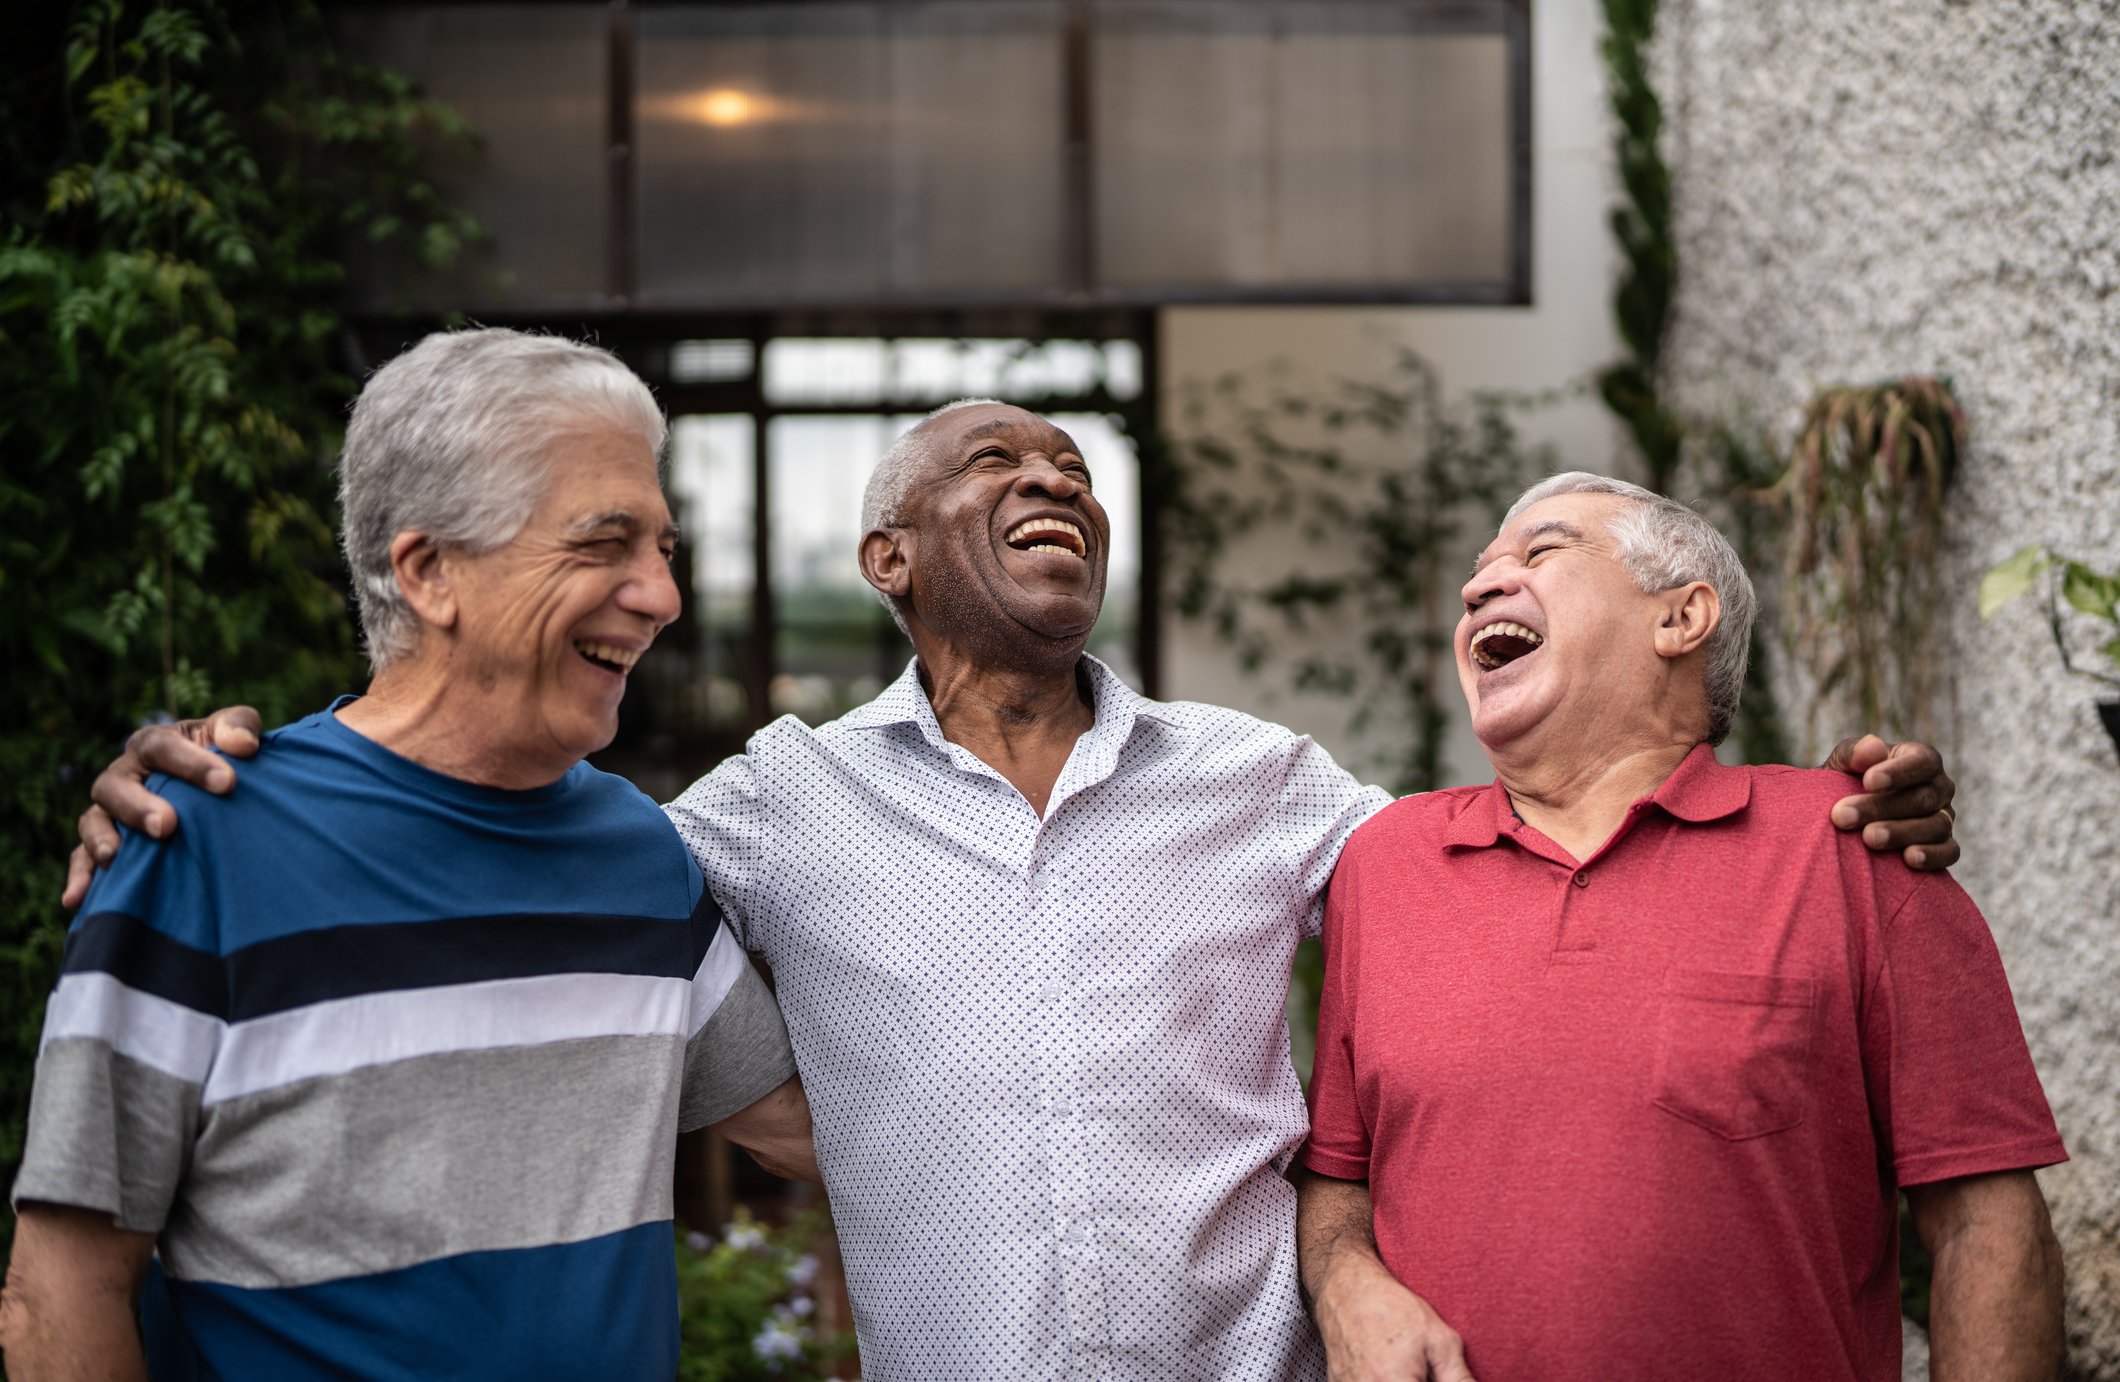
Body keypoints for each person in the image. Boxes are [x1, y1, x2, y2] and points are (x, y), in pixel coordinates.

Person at [60, 403, 1964, 1380]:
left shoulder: (1273, 782)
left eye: (1072, 466)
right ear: (890, 553)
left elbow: (1550, 867)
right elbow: (515, 841)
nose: (1052, 478)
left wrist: (1812, 812)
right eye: (995, 463)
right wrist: (204, 776)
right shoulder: (768, 805)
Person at [1, 330, 816, 1381]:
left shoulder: (635, 854)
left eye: (661, 547)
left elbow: (814, 1129)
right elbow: (58, 1294)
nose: (660, 596)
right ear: (429, 571)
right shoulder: (194, 844)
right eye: (603, 542)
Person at [1297, 473, 2065, 1382]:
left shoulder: (1853, 846)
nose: (1478, 588)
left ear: (1681, 618)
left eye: (1540, 552)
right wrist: (1345, 1282)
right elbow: (1339, 1176)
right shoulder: (1386, 863)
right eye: (1480, 571)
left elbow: (1987, 1222)